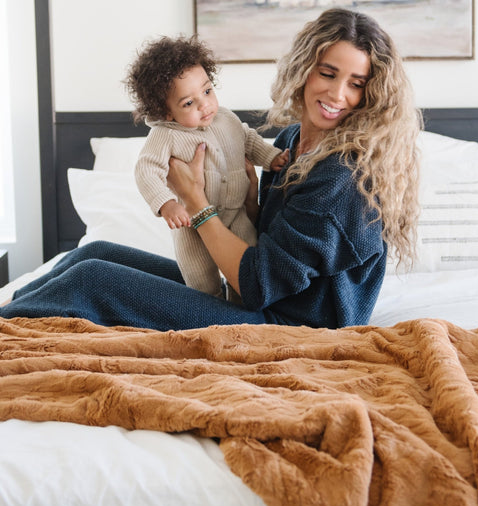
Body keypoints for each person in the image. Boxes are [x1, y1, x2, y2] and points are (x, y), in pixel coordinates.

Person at [0, 8, 421, 332]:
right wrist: (252, 205)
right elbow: (273, 249)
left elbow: (257, 281)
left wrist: (196, 202)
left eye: (356, 83)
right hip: (255, 301)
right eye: (328, 73)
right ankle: (8, 316)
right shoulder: (292, 142)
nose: (337, 94)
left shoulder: (342, 177)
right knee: (92, 254)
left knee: (93, 279)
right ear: (303, 70)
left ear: (373, 92)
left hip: (289, 330)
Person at [124, 35, 288, 301]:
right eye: (188, 103)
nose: (204, 105)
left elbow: (248, 140)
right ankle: (208, 310)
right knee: (201, 281)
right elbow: (146, 170)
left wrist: (271, 157)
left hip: (236, 215)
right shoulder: (166, 135)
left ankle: (239, 313)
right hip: (192, 226)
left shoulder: (227, 119)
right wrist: (167, 205)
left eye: (207, 91)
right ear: (166, 113)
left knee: (247, 272)